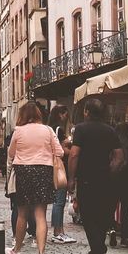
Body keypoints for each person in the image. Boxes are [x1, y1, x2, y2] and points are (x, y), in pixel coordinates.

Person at [67, 97, 125, 254]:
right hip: (106, 179)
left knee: (87, 215)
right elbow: (119, 156)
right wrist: (110, 170)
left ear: (86, 112)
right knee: (102, 215)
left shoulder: (81, 129)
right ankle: (97, 253)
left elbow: (74, 154)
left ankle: (98, 252)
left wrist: (71, 178)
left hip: (86, 178)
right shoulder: (110, 130)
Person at [6, 100, 65, 254]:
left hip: (23, 172)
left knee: (22, 213)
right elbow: (59, 152)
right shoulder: (48, 130)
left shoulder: (18, 131)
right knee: (40, 215)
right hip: (44, 171)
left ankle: (16, 250)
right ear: (38, 114)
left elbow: (11, 155)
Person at [48, 105, 75, 244]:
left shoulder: (50, 128)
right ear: (60, 114)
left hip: (52, 167)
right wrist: (70, 145)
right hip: (60, 168)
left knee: (57, 201)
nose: (66, 118)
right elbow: (61, 151)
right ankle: (58, 232)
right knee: (59, 201)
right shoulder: (58, 130)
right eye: (65, 115)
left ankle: (58, 231)